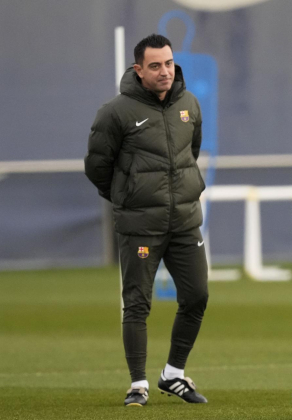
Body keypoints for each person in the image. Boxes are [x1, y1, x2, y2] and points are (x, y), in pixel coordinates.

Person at [85, 34, 209, 407]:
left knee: (197, 296)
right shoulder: (116, 112)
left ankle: (173, 374)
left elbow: (192, 150)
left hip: (185, 221)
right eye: (155, 65)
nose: (164, 71)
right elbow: (97, 167)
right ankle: (137, 384)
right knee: (137, 304)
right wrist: (128, 198)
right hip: (140, 225)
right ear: (138, 70)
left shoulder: (189, 103)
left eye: (169, 63)